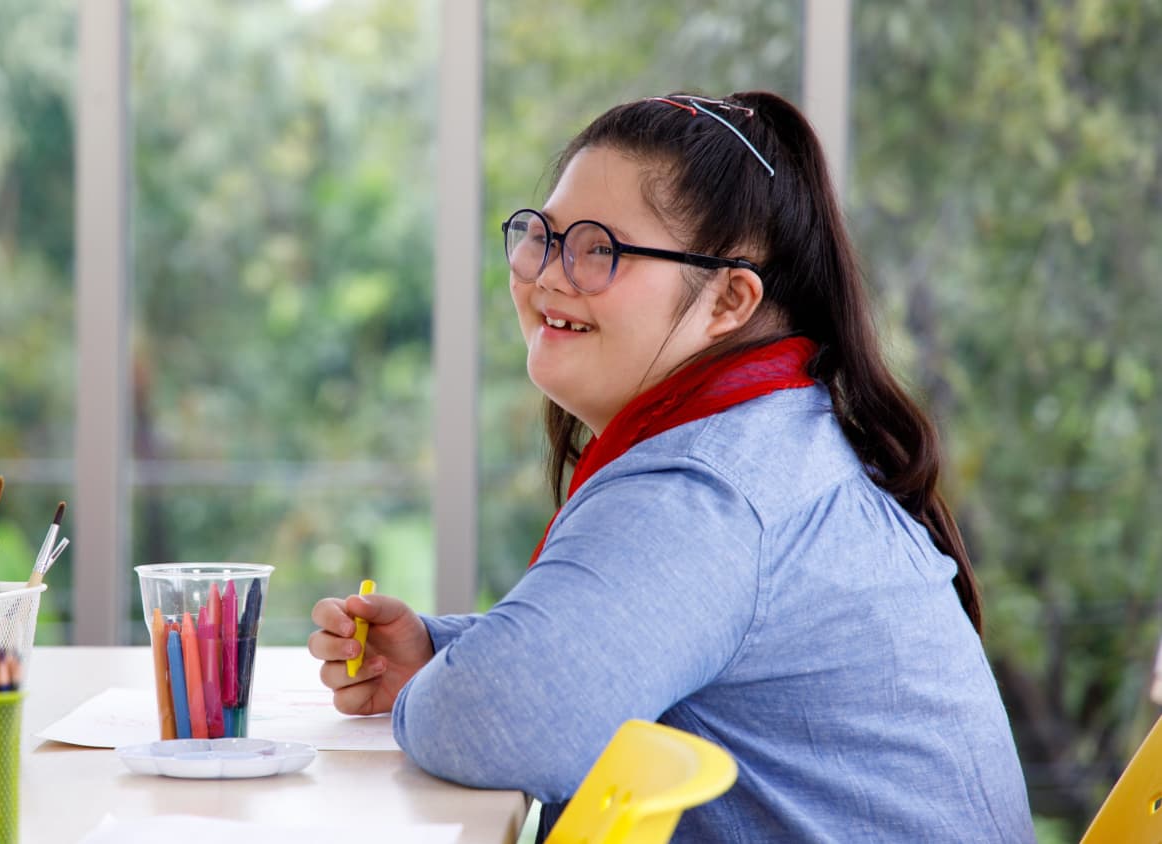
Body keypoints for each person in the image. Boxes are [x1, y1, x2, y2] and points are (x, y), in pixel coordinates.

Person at [308, 91, 1033, 841]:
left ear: (729, 300)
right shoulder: (774, 434)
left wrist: (447, 686)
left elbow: (496, 720)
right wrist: (442, 652)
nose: (550, 275)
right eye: (543, 236)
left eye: (600, 250)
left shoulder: (707, 490)